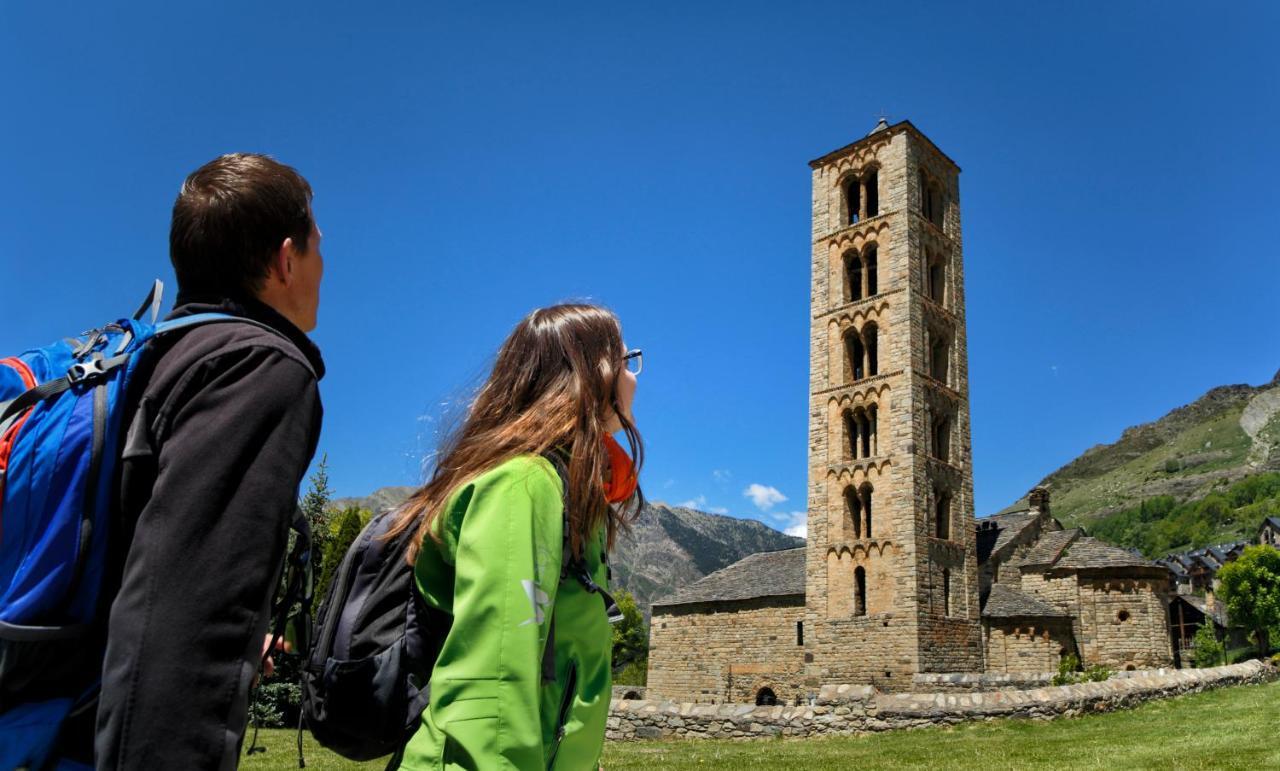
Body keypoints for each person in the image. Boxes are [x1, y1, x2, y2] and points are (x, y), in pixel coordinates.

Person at [57, 153, 327, 768]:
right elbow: (180, 625)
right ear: (286, 260)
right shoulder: (258, 367)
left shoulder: (155, 358)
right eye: (317, 249)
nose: (323, 267)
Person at [388, 304, 643, 770]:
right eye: (628, 361)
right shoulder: (523, 485)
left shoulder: (565, 489)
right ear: (594, 373)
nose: (634, 378)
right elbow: (495, 686)